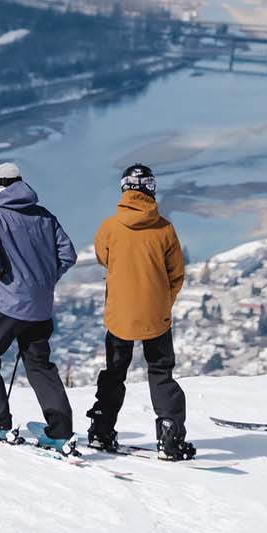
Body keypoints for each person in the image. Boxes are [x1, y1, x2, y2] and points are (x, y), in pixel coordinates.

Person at [88, 163, 196, 461]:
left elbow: (102, 257)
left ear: (124, 189)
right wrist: (163, 300)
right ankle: (170, 438)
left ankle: (101, 430)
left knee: (114, 373)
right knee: (161, 373)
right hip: (156, 316)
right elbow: (176, 274)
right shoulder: (164, 228)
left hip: (119, 315)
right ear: (151, 188)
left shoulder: (110, 227)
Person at [0, 161, 78, 441]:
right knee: (39, 364)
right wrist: (46, 279)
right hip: (41, 306)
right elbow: (68, 255)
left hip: (8, 303)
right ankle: (61, 429)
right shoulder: (45, 216)